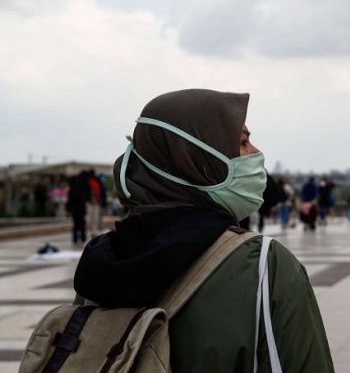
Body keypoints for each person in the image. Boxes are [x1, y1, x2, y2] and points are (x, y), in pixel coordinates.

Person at [72, 89, 334, 372]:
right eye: (244, 142)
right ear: (197, 161)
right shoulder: (263, 266)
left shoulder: (99, 267)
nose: (257, 153)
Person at [66, 170, 91, 245]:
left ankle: (75, 238)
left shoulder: (74, 183)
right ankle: (82, 238)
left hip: (74, 207)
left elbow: (70, 196)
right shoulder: (83, 183)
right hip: (80, 206)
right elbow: (86, 195)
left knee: (76, 223)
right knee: (81, 222)